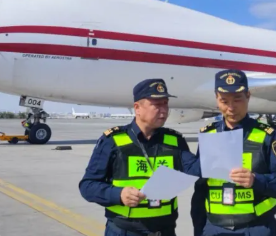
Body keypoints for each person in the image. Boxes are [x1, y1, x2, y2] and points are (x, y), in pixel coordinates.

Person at [79, 78, 201, 236]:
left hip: (165, 231)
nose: (164, 110)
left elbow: (195, 169)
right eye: (157, 105)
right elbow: (87, 186)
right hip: (124, 231)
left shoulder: (175, 141)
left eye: (165, 103)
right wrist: (119, 194)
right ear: (137, 108)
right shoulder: (113, 141)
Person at [191, 69, 276, 236]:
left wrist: (256, 179)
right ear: (217, 98)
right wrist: (199, 229)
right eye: (224, 101)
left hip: (256, 227)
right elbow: (200, 190)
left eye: (237, 99)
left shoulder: (266, 135)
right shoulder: (208, 135)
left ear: (248, 96)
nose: (231, 108)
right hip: (214, 228)